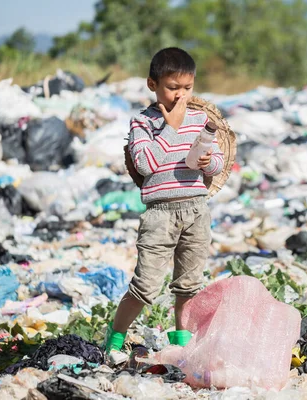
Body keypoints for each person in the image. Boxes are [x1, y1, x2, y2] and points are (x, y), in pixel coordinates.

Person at [105, 47, 224, 364]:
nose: (180, 96)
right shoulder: (142, 123)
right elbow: (145, 164)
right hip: (160, 215)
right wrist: (170, 126)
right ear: (152, 84)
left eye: (187, 88)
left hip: (196, 209)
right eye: (173, 88)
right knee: (145, 286)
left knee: (189, 286)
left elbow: (218, 163)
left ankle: (183, 345)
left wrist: (208, 162)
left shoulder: (201, 120)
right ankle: (115, 339)